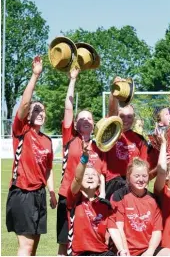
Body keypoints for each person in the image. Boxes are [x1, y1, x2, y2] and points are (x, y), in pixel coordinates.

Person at [6, 56, 57, 256]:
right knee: (25, 247)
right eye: (36, 109)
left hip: (39, 195)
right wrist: (35, 75)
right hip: (22, 194)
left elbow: (48, 168)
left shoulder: (47, 141)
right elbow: (26, 102)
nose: (40, 113)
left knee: (33, 248)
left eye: (43, 110)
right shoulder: (21, 130)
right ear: (28, 114)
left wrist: (51, 191)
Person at [57, 67, 107, 255]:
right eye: (82, 118)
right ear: (76, 124)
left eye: (90, 118)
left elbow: (102, 174)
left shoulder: (99, 146)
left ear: (94, 124)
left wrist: (101, 195)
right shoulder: (70, 139)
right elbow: (68, 107)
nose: (86, 120)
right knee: (64, 243)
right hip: (69, 196)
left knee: (90, 242)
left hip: (92, 199)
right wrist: (72, 80)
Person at [66, 141, 125, 256]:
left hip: (101, 252)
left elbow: (113, 229)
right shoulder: (74, 199)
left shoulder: (105, 205)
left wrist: (122, 250)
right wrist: (84, 158)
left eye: (93, 175)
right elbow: (77, 178)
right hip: (79, 253)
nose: (90, 177)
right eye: (86, 175)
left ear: (99, 182)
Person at [109, 158, 168, 256]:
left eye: (144, 176)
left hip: (148, 249)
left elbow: (157, 231)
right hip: (124, 250)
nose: (141, 180)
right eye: (137, 176)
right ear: (129, 176)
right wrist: (125, 251)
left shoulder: (153, 200)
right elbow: (119, 228)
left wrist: (150, 251)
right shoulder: (119, 196)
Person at [105, 77, 148, 200]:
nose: (126, 119)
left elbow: (144, 166)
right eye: (122, 116)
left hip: (132, 184)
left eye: (130, 116)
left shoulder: (140, 140)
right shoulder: (111, 132)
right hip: (112, 183)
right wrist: (115, 89)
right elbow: (112, 111)